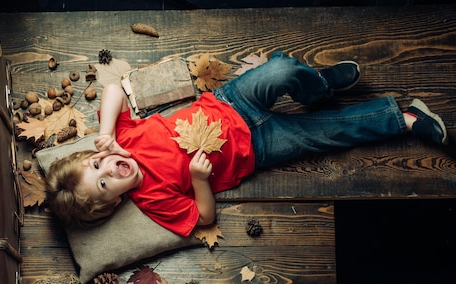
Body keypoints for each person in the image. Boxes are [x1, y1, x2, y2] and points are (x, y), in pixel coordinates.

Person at [46, 51, 448, 237]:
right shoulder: (152, 199)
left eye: (96, 165)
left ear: (95, 155)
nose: (107, 170)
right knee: (325, 134)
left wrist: (108, 134)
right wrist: (200, 180)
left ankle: (319, 85)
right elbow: (204, 218)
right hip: (257, 148)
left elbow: (114, 87)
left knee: (282, 70)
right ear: (115, 201)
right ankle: (405, 119)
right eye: (103, 184)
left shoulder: (123, 139)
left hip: (232, 102)